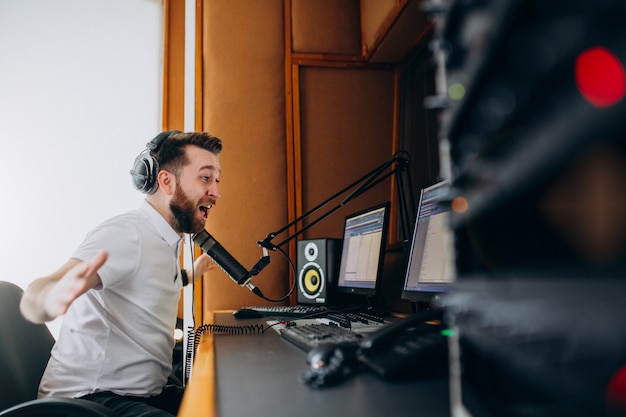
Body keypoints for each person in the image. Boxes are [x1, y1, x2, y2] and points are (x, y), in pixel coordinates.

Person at [19, 130, 221, 417]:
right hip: (90, 400)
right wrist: (50, 301)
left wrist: (191, 274)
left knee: (225, 402)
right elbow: (36, 296)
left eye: (217, 180)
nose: (215, 191)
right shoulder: (127, 234)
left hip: (143, 392)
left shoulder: (165, 238)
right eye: (205, 178)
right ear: (165, 181)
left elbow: (152, 284)